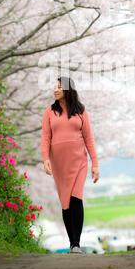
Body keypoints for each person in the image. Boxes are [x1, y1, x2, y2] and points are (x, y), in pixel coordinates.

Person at [40, 76, 100, 254]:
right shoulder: (49, 112)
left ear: (67, 89)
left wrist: (95, 164)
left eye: (59, 87)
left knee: (76, 198)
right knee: (65, 203)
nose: (55, 89)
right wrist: (45, 159)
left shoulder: (80, 110)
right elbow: (45, 138)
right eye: (54, 87)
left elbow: (89, 138)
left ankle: (76, 244)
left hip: (79, 161)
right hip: (59, 164)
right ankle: (72, 242)